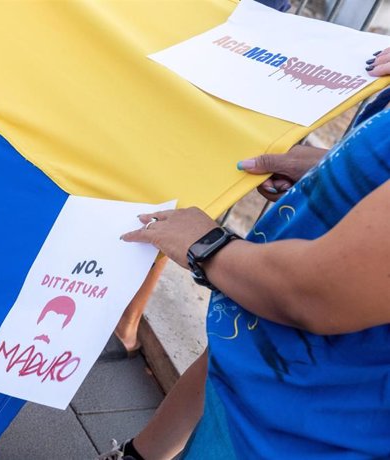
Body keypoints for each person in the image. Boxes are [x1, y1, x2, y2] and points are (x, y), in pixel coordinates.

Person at [100, 60, 390, 459]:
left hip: (300, 433)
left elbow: (316, 293)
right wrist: (340, 168)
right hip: (264, 377)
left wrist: (207, 246)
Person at [111, 0, 293, 358]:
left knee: (172, 185)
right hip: (224, 30)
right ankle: (124, 321)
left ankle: (126, 321)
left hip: (231, 32)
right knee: (169, 179)